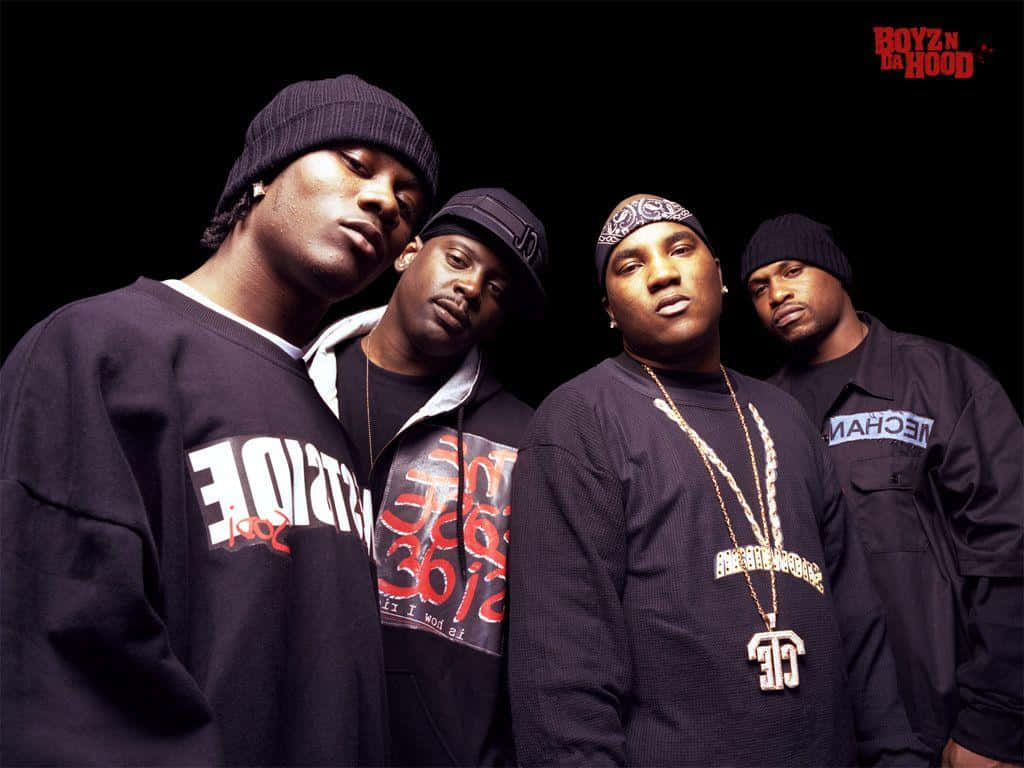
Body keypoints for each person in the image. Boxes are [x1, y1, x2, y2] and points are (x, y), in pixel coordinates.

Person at [0, 74, 438, 766]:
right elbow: (60, 649)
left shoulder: (331, 429)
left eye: (407, 204)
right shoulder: (98, 347)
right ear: (263, 174)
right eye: (356, 164)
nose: (385, 201)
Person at [508, 194, 928, 767]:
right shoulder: (578, 418)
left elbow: (858, 619)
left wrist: (897, 756)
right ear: (609, 310)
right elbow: (562, 668)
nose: (662, 274)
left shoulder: (786, 415)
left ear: (720, 275)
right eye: (630, 265)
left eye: (680, 248)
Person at [742, 213, 1024, 767]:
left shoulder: (941, 378)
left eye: (792, 270)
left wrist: (995, 723)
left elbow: (1009, 547)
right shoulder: (760, 412)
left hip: (943, 726)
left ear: (836, 272)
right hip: (821, 731)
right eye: (758, 287)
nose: (777, 294)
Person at [304, 187, 546, 766]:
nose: (471, 289)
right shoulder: (292, 380)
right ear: (409, 252)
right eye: (458, 260)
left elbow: (542, 634)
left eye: (495, 289)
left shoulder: (525, 440)